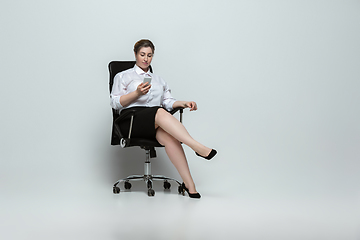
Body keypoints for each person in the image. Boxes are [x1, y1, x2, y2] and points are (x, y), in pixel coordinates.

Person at [110, 39, 217, 198]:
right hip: (131, 121)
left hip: (153, 121)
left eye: (150, 55)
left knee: (169, 136)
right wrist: (136, 94)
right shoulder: (123, 76)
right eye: (142, 55)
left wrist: (184, 103)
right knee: (159, 112)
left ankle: (190, 185)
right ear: (135, 54)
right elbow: (115, 103)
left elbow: (167, 102)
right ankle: (196, 147)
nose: (146, 59)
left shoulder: (159, 80)